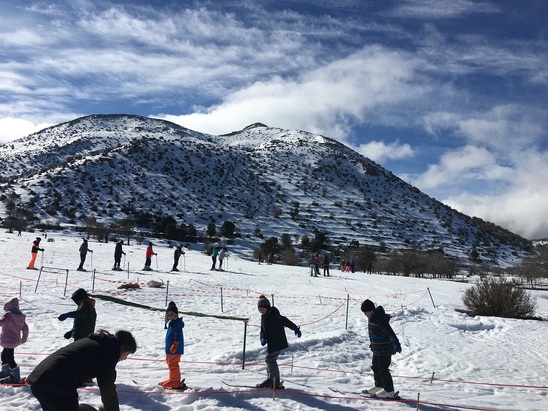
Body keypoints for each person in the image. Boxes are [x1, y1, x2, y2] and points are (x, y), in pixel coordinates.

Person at [27, 329, 137, 411]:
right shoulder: (108, 354)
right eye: (126, 354)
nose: (125, 358)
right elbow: (108, 390)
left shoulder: (99, 343)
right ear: (122, 348)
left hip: (40, 380)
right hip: (56, 385)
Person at [256, 294, 301, 388]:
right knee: (269, 359)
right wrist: (262, 337)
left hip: (278, 341)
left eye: (263, 309)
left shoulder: (274, 315)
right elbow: (262, 330)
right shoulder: (264, 317)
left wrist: (294, 328)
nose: (262, 311)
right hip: (271, 343)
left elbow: (285, 321)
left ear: (267, 308)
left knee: (270, 359)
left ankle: (274, 381)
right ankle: (271, 379)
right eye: (260, 310)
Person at [360, 299, 401, 399]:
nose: (365, 314)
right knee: (375, 367)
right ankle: (379, 386)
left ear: (371, 310)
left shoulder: (379, 320)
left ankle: (389, 390)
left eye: (365, 312)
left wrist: (396, 342)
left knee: (383, 369)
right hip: (377, 348)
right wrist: (372, 344)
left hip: (385, 349)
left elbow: (389, 332)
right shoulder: (372, 318)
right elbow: (373, 333)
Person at [0, 298, 29, 384]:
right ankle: (5, 372)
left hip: (7, 340)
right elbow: (25, 328)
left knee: (9, 358)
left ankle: (15, 377)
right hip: (14, 340)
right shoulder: (20, 317)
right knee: (4, 355)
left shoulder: (9, 316)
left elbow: (2, 322)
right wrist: (24, 338)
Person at [159, 301, 186, 389]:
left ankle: (175, 381)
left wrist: (175, 345)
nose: (170, 316)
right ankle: (172, 379)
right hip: (170, 349)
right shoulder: (172, 323)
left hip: (174, 349)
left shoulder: (176, 324)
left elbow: (178, 336)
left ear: (176, 315)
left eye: (172, 314)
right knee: (171, 364)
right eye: (168, 315)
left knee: (173, 364)